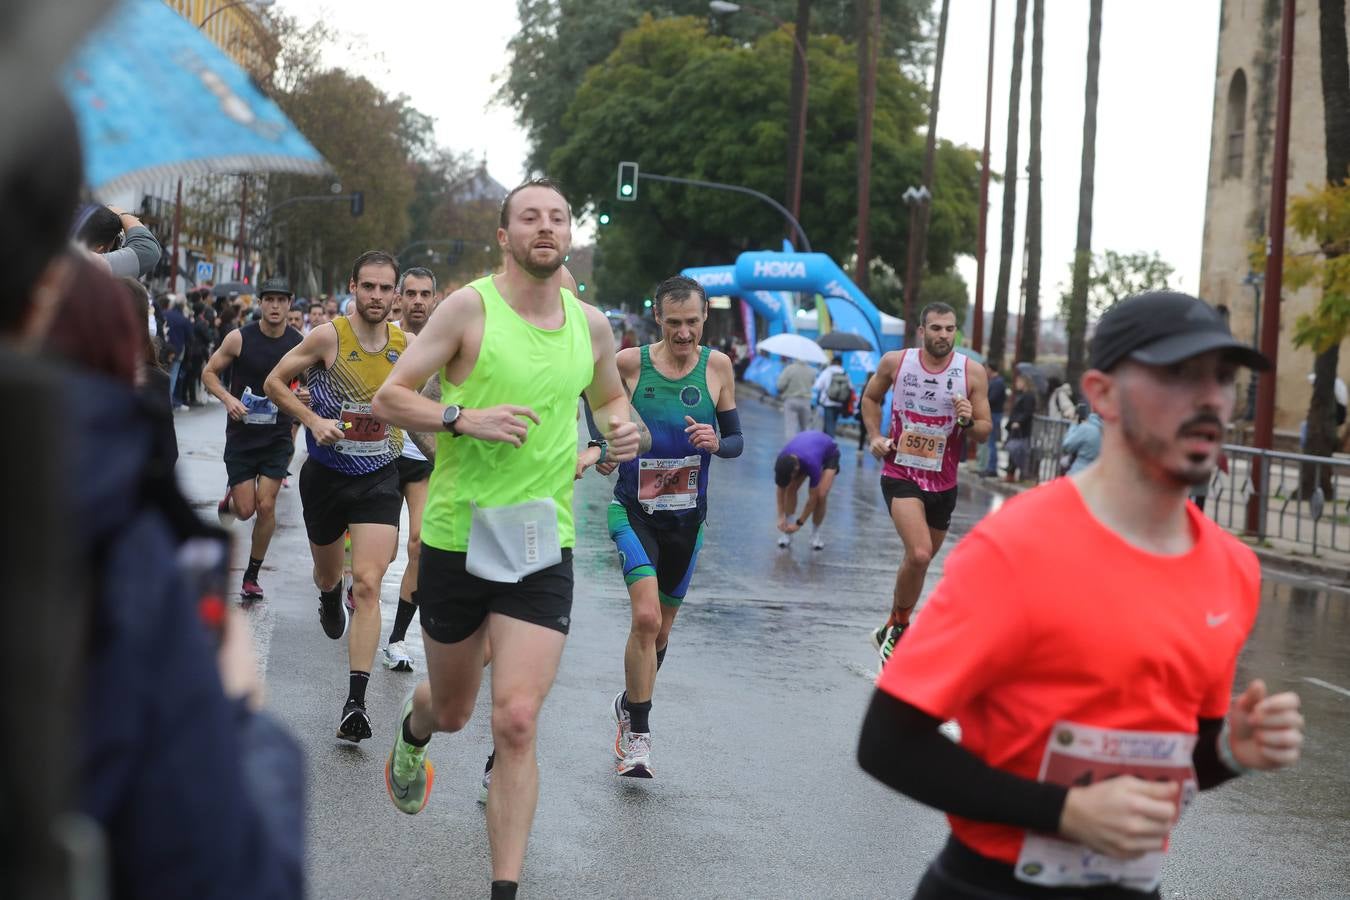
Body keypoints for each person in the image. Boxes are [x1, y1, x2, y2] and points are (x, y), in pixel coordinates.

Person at [857, 290, 1304, 899]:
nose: (1209, 398)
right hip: (988, 887)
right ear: (1101, 394)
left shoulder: (1233, 569)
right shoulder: (1015, 546)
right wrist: (1063, 812)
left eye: (1223, 378)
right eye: (1178, 374)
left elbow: (1165, 762)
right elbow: (887, 744)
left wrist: (1227, 751)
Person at [371, 178, 643, 900]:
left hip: (540, 543)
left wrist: (625, 428)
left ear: (570, 234)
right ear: (505, 235)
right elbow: (390, 397)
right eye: (531, 216)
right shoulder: (468, 309)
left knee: (516, 719)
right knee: (457, 711)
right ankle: (416, 724)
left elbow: (611, 399)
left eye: (558, 216)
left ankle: (504, 890)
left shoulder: (591, 326)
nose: (545, 226)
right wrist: (463, 418)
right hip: (461, 538)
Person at [602, 274, 742, 779]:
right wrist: (604, 446)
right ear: (657, 318)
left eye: (693, 323)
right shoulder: (629, 364)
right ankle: (637, 736)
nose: (684, 333)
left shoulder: (718, 367)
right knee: (644, 620)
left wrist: (714, 442)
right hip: (632, 513)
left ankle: (628, 702)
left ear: (705, 318)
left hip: (689, 520)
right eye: (674, 322)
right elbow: (598, 411)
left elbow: (736, 441)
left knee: (658, 635)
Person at [264, 251, 408, 742]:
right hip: (326, 477)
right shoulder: (329, 336)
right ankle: (328, 596)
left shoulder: (406, 345)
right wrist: (313, 421)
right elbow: (274, 382)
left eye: (386, 289)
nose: (377, 297)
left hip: (379, 478)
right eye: (368, 287)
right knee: (332, 575)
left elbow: (427, 403)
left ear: (395, 293)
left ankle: (356, 703)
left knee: (368, 582)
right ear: (353, 286)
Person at [861, 302, 991, 665]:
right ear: (922, 331)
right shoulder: (897, 362)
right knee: (918, 553)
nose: (943, 336)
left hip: (943, 481)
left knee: (918, 562)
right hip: (900, 471)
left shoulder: (972, 373)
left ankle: (888, 627)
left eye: (950, 329)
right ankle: (900, 631)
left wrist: (966, 421)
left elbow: (984, 430)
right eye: (936, 328)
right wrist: (874, 434)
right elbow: (870, 398)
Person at [203, 277, 305, 601]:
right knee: (245, 510)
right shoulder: (239, 338)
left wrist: (304, 395)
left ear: (290, 304)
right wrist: (228, 399)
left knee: (266, 504)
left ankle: (252, 575)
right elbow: (209, 373)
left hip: (277, 435)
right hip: (242, 436)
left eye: (281, 300)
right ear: (260, 303)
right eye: (269, 300)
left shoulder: (299, 343)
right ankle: (231, 501)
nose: (275, 306)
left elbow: (309, 384)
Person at [383, 266, 439, 672]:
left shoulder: (449, 342)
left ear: (434, 299)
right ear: (399, 298)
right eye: (412, 294)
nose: (418, 301)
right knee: (381, 552)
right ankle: (343, 589)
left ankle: (397, 639)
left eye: (426, 294)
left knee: (418, 545)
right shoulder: (381, 337)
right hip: (381, 456)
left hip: (423, 461)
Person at [774, 429, 840, 550]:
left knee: (821, 495)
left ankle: (815, 534)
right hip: (808, 448)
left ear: (796, 469)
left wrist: (799, 524)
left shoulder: (812, 464)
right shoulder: (781, 460)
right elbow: (781, 488)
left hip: (829, 452)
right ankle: (787, 532)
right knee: (791, 488)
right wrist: (780, 516)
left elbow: (812, 499)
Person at [72, 203, 164, 279]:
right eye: (110, 248)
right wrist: (120, 213)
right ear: (99, 248)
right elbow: (148, 251)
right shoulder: (87, 265)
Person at [1004, 373, 1038, 482]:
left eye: (1019, 382)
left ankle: (1015, 474)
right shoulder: (1023, 395)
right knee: (1014, 450)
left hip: (1021, 429)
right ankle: (1011, 473)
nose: (1017, 384)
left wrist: (1018, 422)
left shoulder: (1028, 396)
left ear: (1025, 383)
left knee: (1017, 451)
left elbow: (1028, 412)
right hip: (1016, 428)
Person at [161, 295, 191, 409]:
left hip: (164, 349)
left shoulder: (165, 314)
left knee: (163, 374)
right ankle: (168, 401)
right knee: (173, 376)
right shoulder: (184, 319)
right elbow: (189, 337)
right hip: (178, 351)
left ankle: (162, 399)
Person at [777, 356, 816, 439]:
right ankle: (805, 448)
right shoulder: (812, 371)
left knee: (790, 427)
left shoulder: (790, 368)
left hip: (791, 399)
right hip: (806, 401)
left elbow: (780, 385)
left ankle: (791, 449)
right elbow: (813, 383)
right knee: (805, 428)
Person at [1060, 404, 1103, 476]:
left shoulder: (1086, 428)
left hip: (1079, 473)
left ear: (1092, 408)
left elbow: (1067, 445)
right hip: (1097, 476)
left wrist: (1073, 424)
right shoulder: (1110, 432)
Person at [813, 357, 850, 437]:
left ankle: (832, 443)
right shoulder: (845, 373)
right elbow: (850, 387)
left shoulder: (827, 371)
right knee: (832, 422)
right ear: (841, 363)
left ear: (832, 362)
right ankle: (825, 442)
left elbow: (818, 386)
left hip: (827, 402)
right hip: (839, 403)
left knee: (829, 425)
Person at [980, 364, 1006, 477]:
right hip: (993, 414)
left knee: (991, 443)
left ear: (991, 369)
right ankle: (989, 466)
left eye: (986, 369)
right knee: (989, 443)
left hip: (994, 414)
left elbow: (991, 399)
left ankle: (992, 468)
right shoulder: (994, 381)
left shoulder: (998, 382)